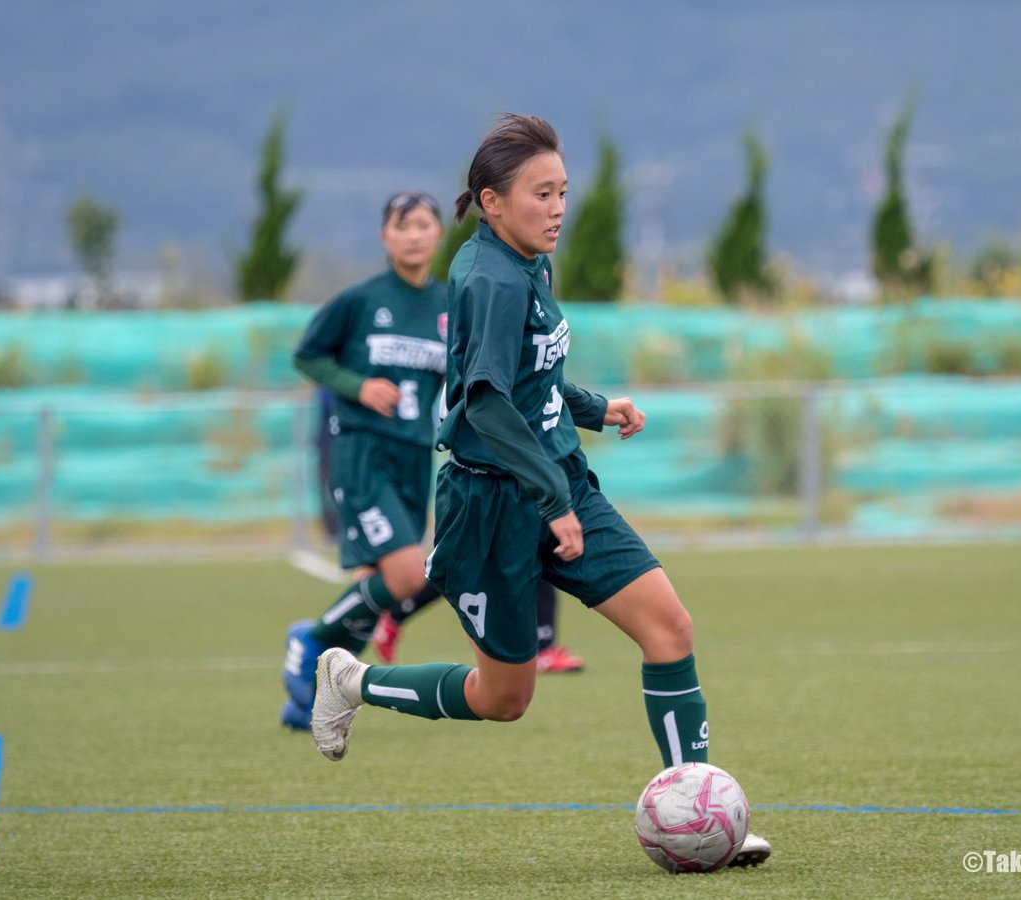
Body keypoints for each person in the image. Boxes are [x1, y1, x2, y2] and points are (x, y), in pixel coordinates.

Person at [308, 114, 770, 868]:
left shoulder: (531, 261)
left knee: (670, 632)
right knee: (505, 699)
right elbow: (485, 401)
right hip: (490, 507)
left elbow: (534, 377)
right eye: (540, 194)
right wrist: (550, 501)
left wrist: (595, 409)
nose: (557, 208)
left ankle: (698, 808)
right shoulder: (488, 277)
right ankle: (352, 679)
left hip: (560, 484)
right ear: (490, 201)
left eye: (562, 192)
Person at [281, 190, 582, 732]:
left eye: (424, 224)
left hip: (415, 456)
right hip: (361, 453)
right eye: (403, 225)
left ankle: (313, 693)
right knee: (401, 575)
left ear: (439, 233)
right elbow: (308, 355)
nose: (415, 234)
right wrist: (358, 385)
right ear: (385, 237)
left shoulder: (451, 301)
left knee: (385, 576)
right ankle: (315, 640)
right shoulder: (361, 300)